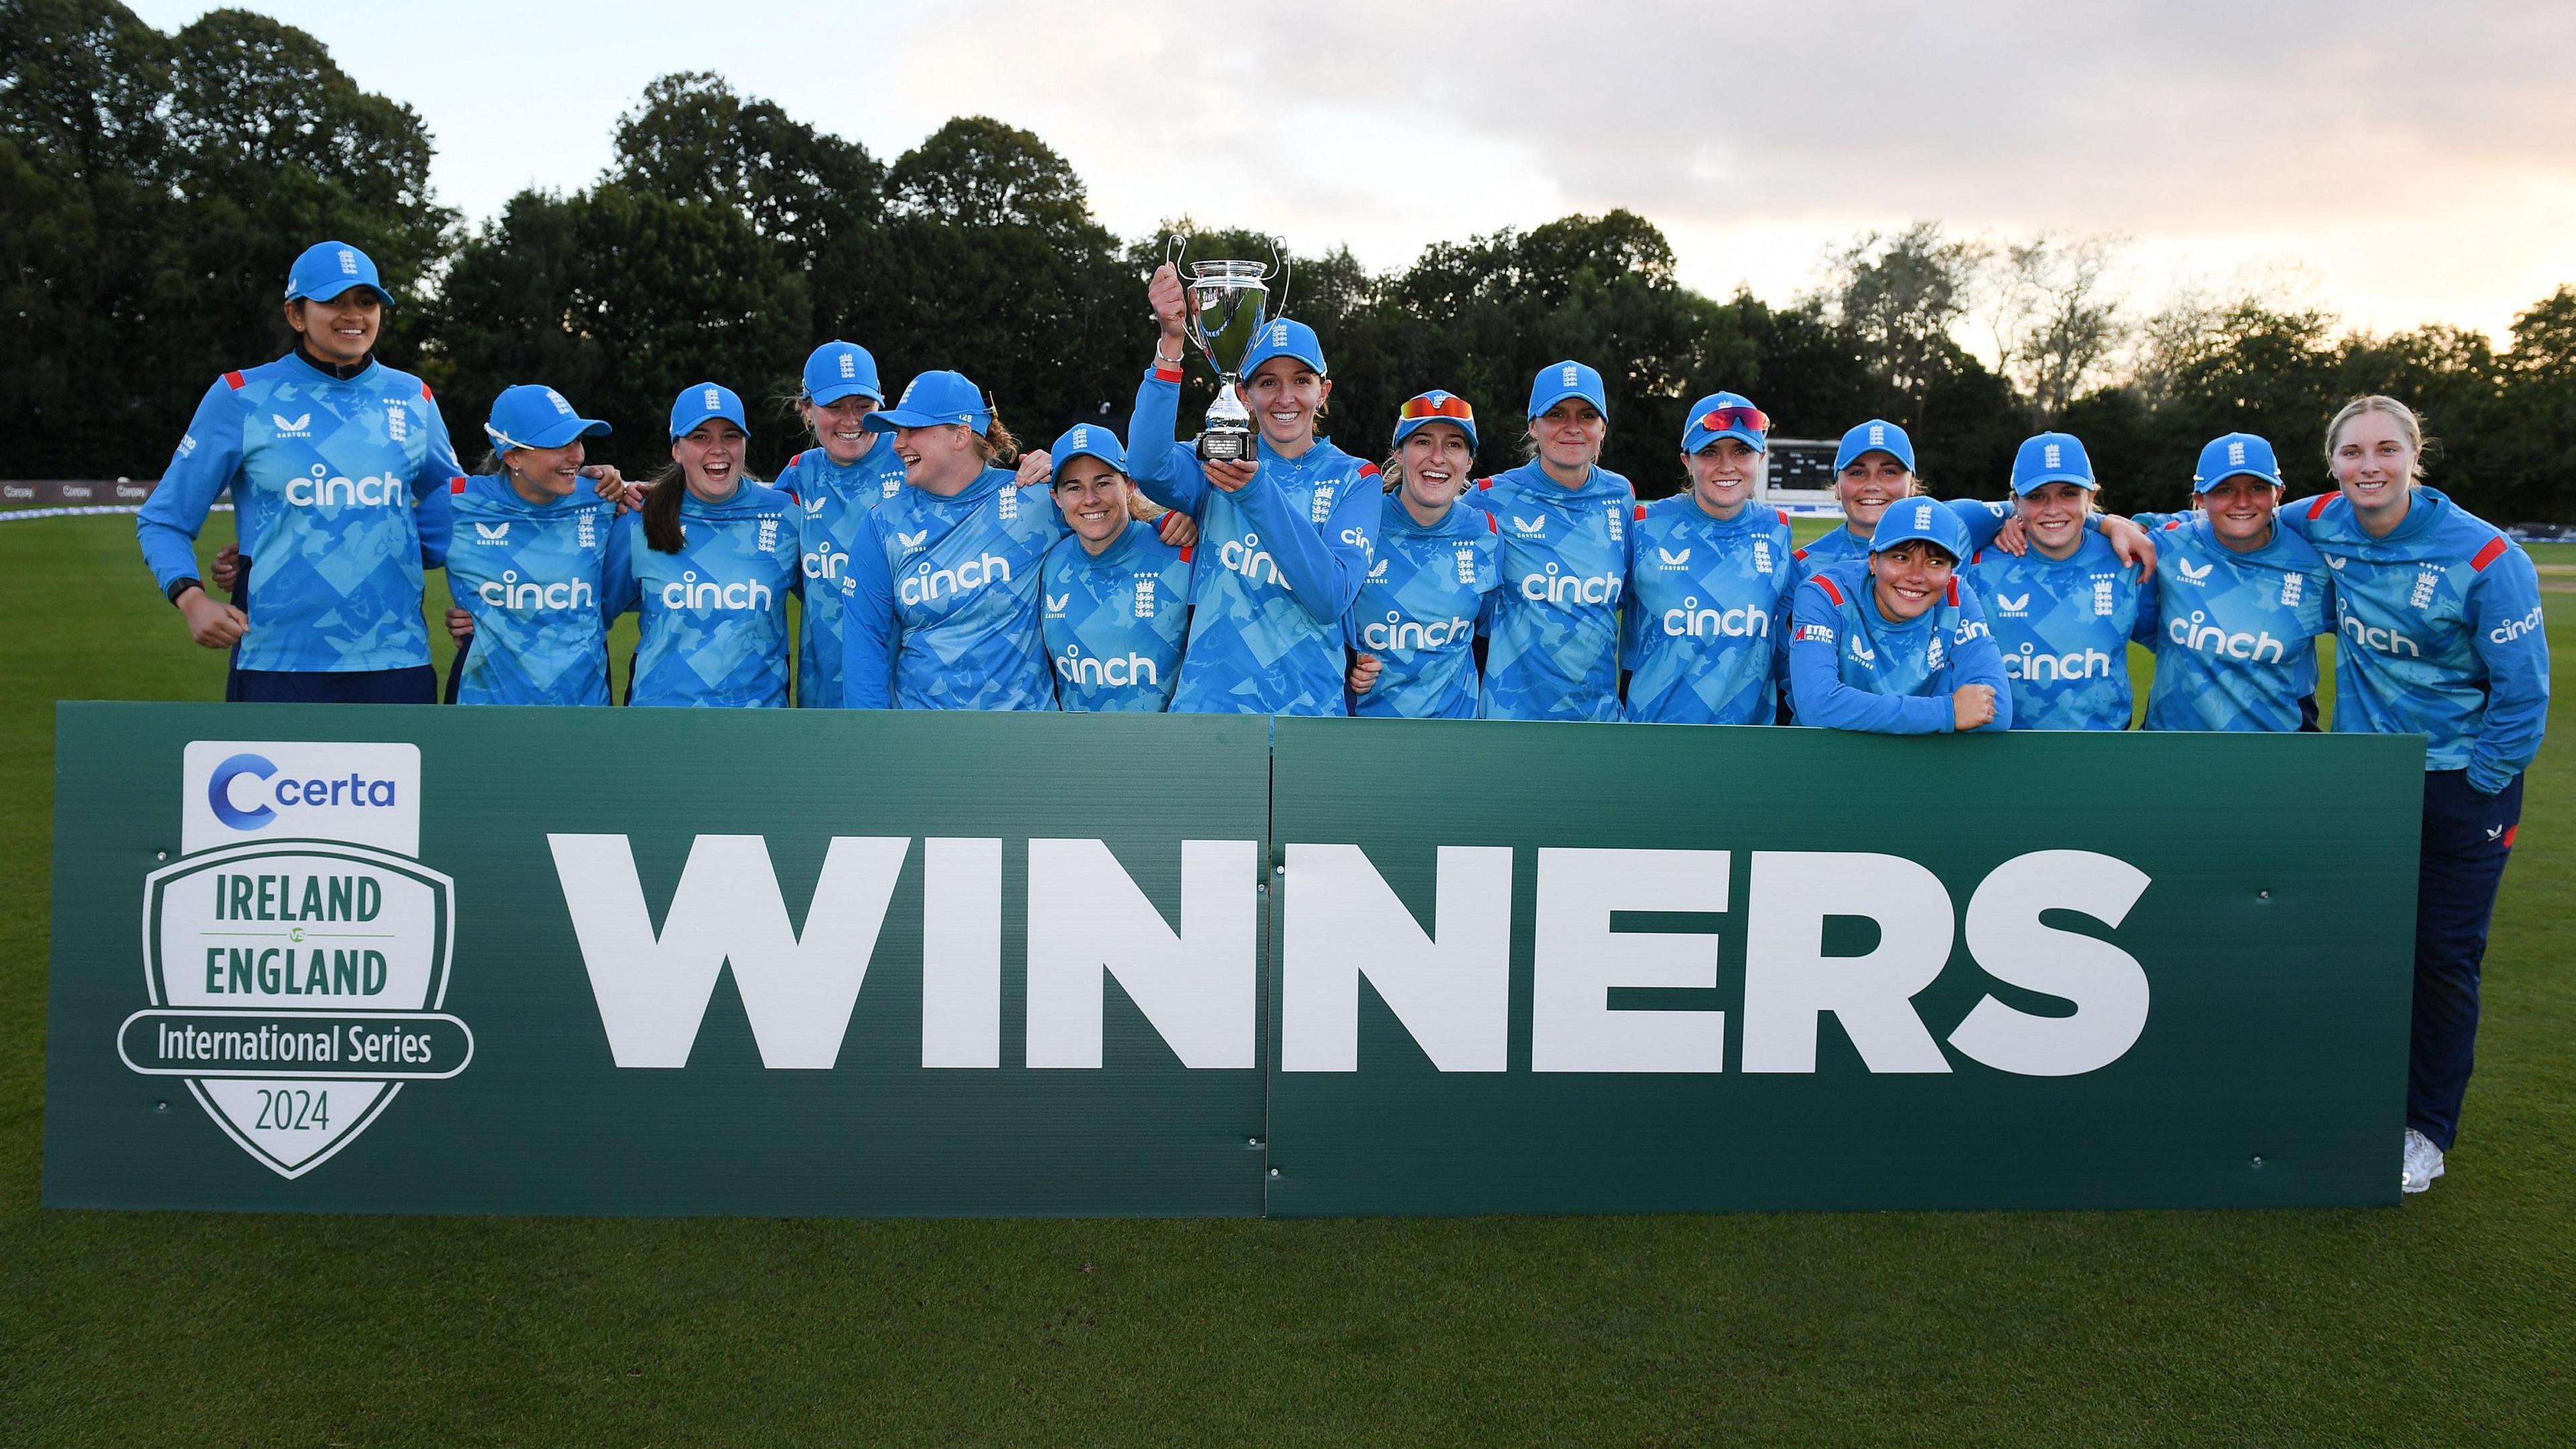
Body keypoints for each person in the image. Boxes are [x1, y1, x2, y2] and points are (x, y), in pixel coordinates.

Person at [2266, 395, 2550, 1193]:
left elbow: (2523, 699)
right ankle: (2351, 1100)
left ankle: (2425, 1129)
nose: (2370, 466)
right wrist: (2118, 524)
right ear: (2332, 465)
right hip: (2365, 785)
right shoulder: (2318, 518)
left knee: (2443, 963)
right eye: (2353, 453)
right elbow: (2231, 517)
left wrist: (2476, 789)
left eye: (2386, 450)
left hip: (2462, 786)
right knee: (2354, 950)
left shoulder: (2488, 556)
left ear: (2415, 455)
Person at [137, 239, 462, 702]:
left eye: (366, 302)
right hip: (276, 661)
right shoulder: (240, 395)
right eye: (334, 301)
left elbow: (453, 494)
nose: (354, 315)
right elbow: (163, 519)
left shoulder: (413, 397)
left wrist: (414, 546)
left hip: (396, 659)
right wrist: (191, 598)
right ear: (296, 314)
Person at [1127, 266, 1379, 715]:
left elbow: (1330, 596)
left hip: (1308, 714)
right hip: (1211, 710)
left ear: (1324, 392)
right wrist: (1170, 344)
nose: (1285, 398)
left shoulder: (1356, 478)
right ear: (1243, 395)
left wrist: (1255, 491)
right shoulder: (1218, 460)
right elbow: (1147, 465)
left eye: (1301, 382)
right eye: (1268, 383)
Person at [838, 370, 1065, 710]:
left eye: (913, 430)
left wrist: (1171, 517)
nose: (898, 443)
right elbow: (864, 644)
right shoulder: (884, 522)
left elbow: (1120, 510)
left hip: (1023, 738)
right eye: (898, 432)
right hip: (925, 740)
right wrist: (872, 744)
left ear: (960, 436)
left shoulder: (1032, 497)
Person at [1463, 362, 1635, 722]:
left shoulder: (1620, 495)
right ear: (1533, 426)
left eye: (1586, 415)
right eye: (1557, 414)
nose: (1572, 428)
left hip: (1599, 719)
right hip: (1511, 718)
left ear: (1602, 428)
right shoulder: (1489, 497)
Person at [2131, 433, 2334, 732]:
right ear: (2200, 499)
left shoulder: (2313, 566)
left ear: (2278, 494)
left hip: (2278, 753)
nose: (2242, 502)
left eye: (2257, 487)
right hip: (2172, 748)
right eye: (2224, 489)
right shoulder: (2168, 546)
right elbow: (2144, 626)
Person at [441, 386, 631, 705]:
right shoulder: (454, 503)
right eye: (558, 444)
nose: (576, 456)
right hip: (481, 711)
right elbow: (391, 563)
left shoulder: (604, 500)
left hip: (584, 707)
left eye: (578, 440)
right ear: (513, 455)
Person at [1962, 432, 2155, 730]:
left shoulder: (2126, 559)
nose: (2053, 509)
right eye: (2037, 496)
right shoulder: (1977, 565)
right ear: (2015, 502)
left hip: (2104, 755)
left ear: (2090, 496)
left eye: (2068, 493)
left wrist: (2111, 522)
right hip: (2002, 758)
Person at [1623, 392, 1797, 724]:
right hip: (1653, 732)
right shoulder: (1645, 524)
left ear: (1760, 457)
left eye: (1742, 451)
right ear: (1687, 461)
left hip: (1750, 739)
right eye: (1709, 452)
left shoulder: (1777, 529)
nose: (1727, 466)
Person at [625, 383, 802, 707]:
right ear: (677, 449)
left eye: (730, 436)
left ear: (745, 444)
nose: (717, 449)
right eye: (700, 437)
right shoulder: (639, 518)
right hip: (657, 727)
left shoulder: (787, 516)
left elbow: (826, 602)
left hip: (757, 730)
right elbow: (592, 613)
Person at [1786, 499, 2011, 733]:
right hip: (1831, 761)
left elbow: (1996, 711)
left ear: (1950, 571)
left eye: (1935, 562)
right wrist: (1947, 711)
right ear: (1873, 561)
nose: (1916, 576)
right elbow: (1816, 706)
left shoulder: (1957, 595)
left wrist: (1854, 710)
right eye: (1901, 558)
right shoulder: (1825, 593)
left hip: (1927, 762)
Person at [1342, 390, 1503, 718]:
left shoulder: (1485, 533)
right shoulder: (1361, 521)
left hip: (1456, 744)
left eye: (1454, 445)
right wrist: (1350, 664)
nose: (1438, 458)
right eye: (1422, 442)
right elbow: (1327, 619)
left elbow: (1483, 636)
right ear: (1400, 453)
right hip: (1367, 741)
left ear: (1469, 461)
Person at [772, 341, 907, 709]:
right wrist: (646, 493)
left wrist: (1041, 473)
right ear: (807, 410)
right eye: (834, 407)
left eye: (863, 407)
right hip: (823, 694)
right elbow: (733, 505)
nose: (851, 422)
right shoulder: (801, 473)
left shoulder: (913, 459)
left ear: (881, 404)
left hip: (907, 693)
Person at [1040, 423, 1195, 711]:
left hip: (1166, 750)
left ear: (1130, 487)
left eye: (1103, 483)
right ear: (1057, 498)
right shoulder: (1050, 564)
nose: (1090, 499)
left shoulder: (1179, 552)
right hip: (1076, 751)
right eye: (1074, 487)